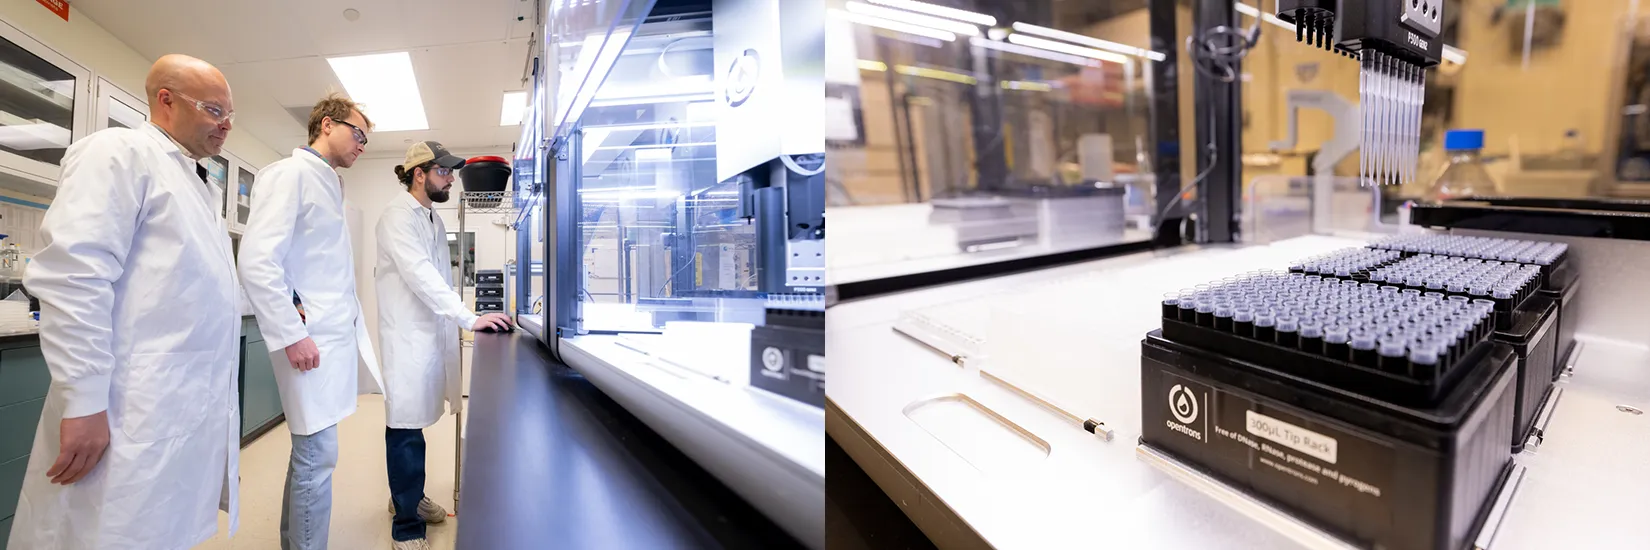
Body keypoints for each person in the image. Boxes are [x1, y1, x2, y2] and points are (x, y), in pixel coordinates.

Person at [9, 54, 243, 549]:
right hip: (126, 404)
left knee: (160, 528)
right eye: (214, 110)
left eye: (229, 115)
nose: (226, 125)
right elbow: (75, 276)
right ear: (166, 100)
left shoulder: (198, 185)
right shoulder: (118, 153)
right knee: (105, 530)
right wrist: (84, 401)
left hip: (175, 403)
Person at [238, 94, 384, 550]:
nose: (362, 145)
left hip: (328, 339)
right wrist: (292, 333)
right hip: (308, 342)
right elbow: (258, 262)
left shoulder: (331, 185)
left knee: (312, 455)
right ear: (327, 125)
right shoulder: (289, 175)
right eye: (357, 133)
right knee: (317, 455)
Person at [376, 142, 513, 550]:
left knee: (415, 424)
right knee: (404, 427)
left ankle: (408, 496)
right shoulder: (397, 216)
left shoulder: (431, 218)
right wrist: (469, 318)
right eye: (444, 172)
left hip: (428, 334)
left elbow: (438, 280)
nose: (451, 179)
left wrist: (465, 317)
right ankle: (405, 524)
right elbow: (421, 275)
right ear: (419, 174)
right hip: (407, 337)